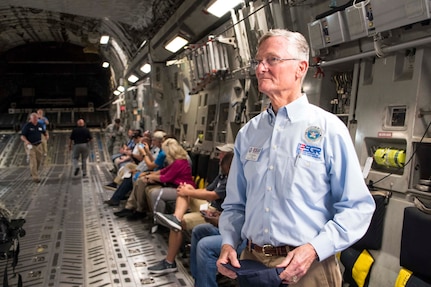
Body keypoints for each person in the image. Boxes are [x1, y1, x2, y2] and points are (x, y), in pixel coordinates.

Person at [216, 29, 376, 286]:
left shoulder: (328, 129)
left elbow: (358, 207)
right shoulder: (248, 133)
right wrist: (227, 241)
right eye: (258, 62)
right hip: (251, 262)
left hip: (307, 266)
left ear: (300, 68)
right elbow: (235, 205)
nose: (261, 68)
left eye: (272, 60)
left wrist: (314, 248)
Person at [147, 148, 234, 275]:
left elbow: (212, 195)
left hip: (218, 212)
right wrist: (187, 190)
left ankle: (169, 261)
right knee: (185, 187)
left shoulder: (233, 179)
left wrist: (188, 192)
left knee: (180, 222)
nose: (219, 156)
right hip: (209, 206)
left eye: (223, 154)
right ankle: (176, 217)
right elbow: (207, 190)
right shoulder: (222, 175)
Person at [114, 138, 194, 221]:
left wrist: (150, 176)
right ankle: (136, 209)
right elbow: (163, 171)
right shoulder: (177, 161)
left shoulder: (179, 162)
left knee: (155, 193)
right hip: (174, 184)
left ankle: (158, 220)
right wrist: (149, 175)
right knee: (141, 180)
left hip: (181, 187)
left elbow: (165, 178)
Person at [20, 112, 48, 183]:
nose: (35, 120)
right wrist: (26, 141)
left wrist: (46, 135)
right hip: (30, 145)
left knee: (39, 160)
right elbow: (22, 136)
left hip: (38, 145)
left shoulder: (40, 125)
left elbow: (44, 132)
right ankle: (35, 177)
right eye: (34, 118)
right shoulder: (27, 126)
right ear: (31, 119)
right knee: (33, 161)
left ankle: (33, 172)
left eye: (36, 118)